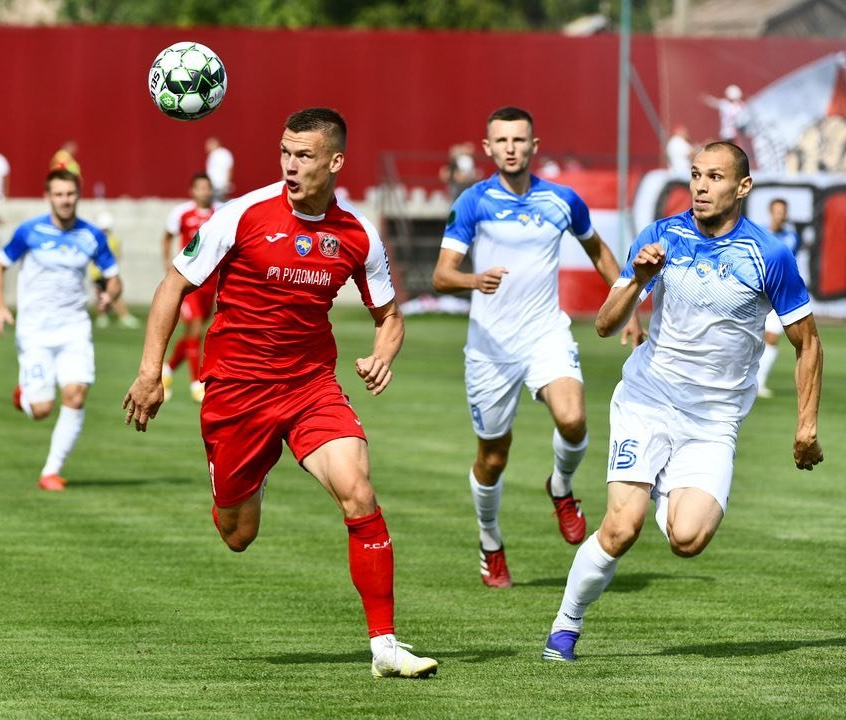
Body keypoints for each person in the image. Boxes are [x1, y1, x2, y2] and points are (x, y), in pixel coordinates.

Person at [123, 108, 438, 679]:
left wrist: (382, 354)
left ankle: (385, 646)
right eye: (285, 153)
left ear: (335, 162)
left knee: (358, 490)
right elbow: (173, 285)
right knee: (238, 534)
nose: (290, 166)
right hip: (237, 391)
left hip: (310, 385)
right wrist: (150, 373)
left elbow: (389, 315)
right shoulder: (242, 214)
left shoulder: (358, 234)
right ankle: (246, 481)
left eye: (304, 155)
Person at [542, 142, 823, 663]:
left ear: (742, 187)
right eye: (695, 175)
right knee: (621, 528)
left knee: (687, 539)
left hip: (714, 421)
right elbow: (604, 325)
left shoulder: (769, 255)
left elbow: (808, 343)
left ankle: (666, 486)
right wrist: (639, 280)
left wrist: (806, 426)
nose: (701, 186)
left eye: (715, 177)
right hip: (647, 400)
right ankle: (566, 625)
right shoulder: (662, 236)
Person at [432, 106, 643, 589]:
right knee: (493, 457)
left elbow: (598, 250)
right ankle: (490, 541)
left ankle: (561, 486)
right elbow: (442, 275)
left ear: (534, 145)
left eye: (519, 140)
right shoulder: (473, 202)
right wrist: (474, 280)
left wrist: (626, 304)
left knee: (573, 418)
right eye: (502, 140)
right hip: (490, 348)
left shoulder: (562, 200)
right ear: (488, 148)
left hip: (545, 332)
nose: (511, 148)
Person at [0, 169, 121, 491]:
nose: (65, 200)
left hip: (74, 328)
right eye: (59, 194)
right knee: (42, 409)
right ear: (48, 197)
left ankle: (51, 471)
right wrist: (0, 306)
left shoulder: (92, 235)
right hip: (35, 330)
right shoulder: (29, 231)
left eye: (70, 194)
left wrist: (109, 296)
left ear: (78, 195)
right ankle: (26, 396)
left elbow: (114, 278)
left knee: (75, 395)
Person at [161, 172, 219, 403]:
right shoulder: (182, 213)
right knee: (194, 330)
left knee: (194, 334)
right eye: (200, 188)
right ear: (192, 191)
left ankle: (167, 370)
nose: (204, 192)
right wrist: (167, 261)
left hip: (210, 282)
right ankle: (197, 384)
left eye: (207, 187)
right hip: (188, 280)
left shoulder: (219, 213)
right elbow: (167, 236)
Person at [755, 197, 802, 398]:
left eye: (782, 212)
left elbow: (782, 260)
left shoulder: (791, 237)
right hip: (757, 293)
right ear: (770, 212)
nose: (779, 215)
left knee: (772, 338)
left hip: (779, 294)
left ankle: (759, 382)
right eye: (776, 211)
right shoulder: (759, 233)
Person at [90, 211, 140, 330]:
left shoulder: (110, 239)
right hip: (98, 272)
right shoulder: (98, 239)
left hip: (107, 272)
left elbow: (116, 256)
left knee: (113, 294)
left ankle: (122, 316)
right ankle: (104, 316)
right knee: (101, 294)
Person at [204, 137, 234, 201]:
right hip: (212, 184)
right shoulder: (212, 155)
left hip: (220, 184)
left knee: (219, 203)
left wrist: (227, 182)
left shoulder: (223, 153)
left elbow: (229, 167)